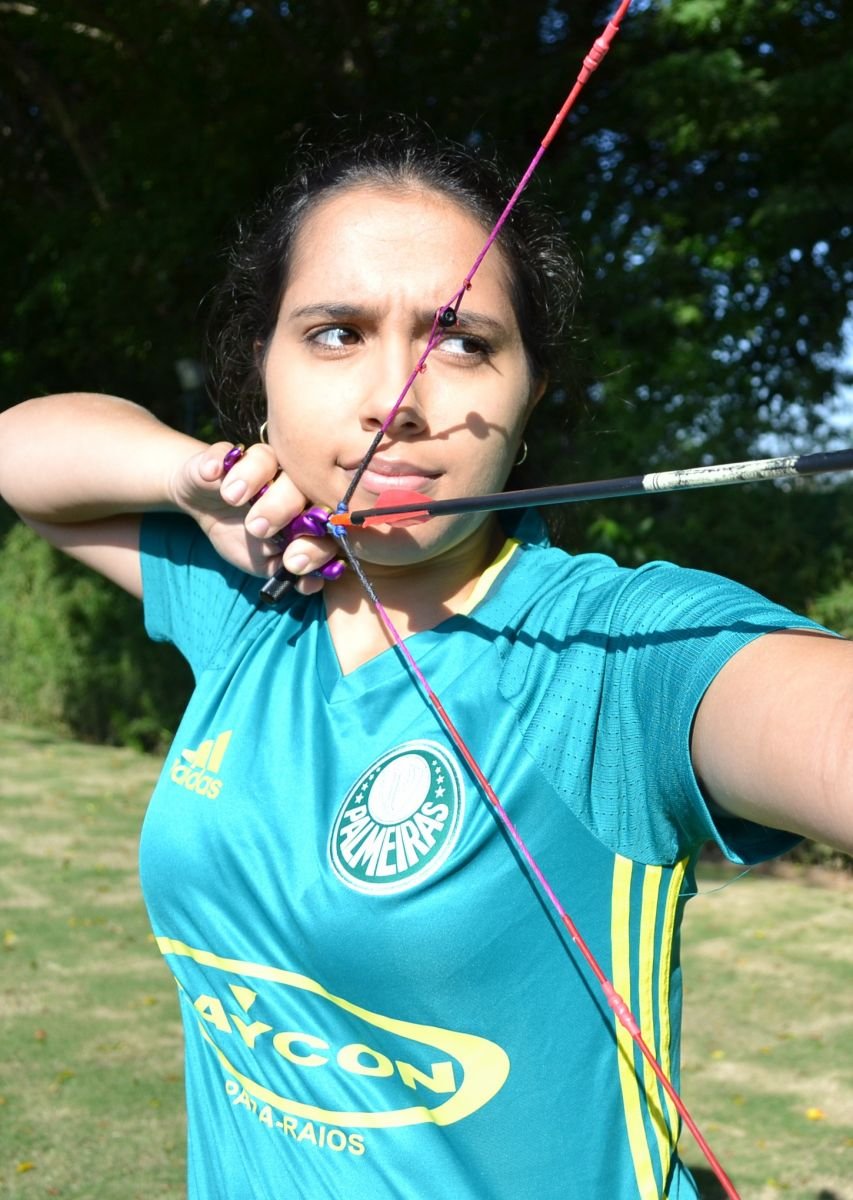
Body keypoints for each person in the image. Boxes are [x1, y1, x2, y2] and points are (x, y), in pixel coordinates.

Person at [0, 127, 850, 1200]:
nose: (395, 397)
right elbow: (21, 452)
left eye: (460, 342)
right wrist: (194, 482)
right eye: (336, 333)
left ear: (531, 392)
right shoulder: (250, 602)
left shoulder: (611, 656)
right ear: (258, 370)